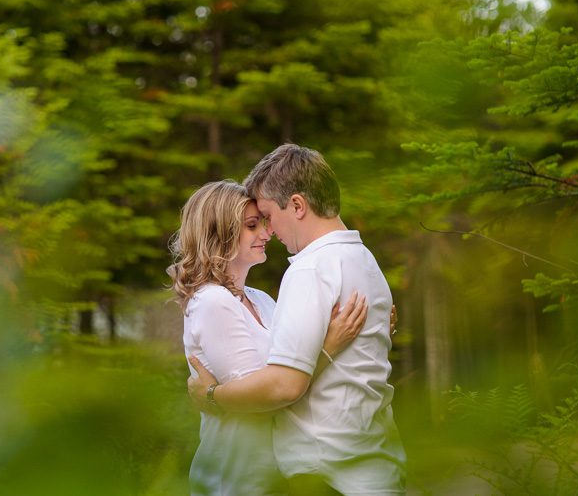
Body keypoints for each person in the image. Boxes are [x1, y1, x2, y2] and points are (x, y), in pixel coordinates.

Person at [188, 145, 407, 495]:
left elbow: (283, 385)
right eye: (255, 224)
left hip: (330, 474)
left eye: (269, 217)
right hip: (368, 465)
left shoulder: (310, 268)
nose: (269, 231)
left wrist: (212, 396)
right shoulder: (364, 259)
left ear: (298, 206)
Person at [168, 180, 369, 496]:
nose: (267, 232)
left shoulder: (260, 299)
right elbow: (268, 396)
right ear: (217, 233)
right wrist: (329, 346)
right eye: (252, 226)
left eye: (263, 222)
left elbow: (290, 365)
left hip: (276, 477)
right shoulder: (211, 302)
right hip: (237, 480)